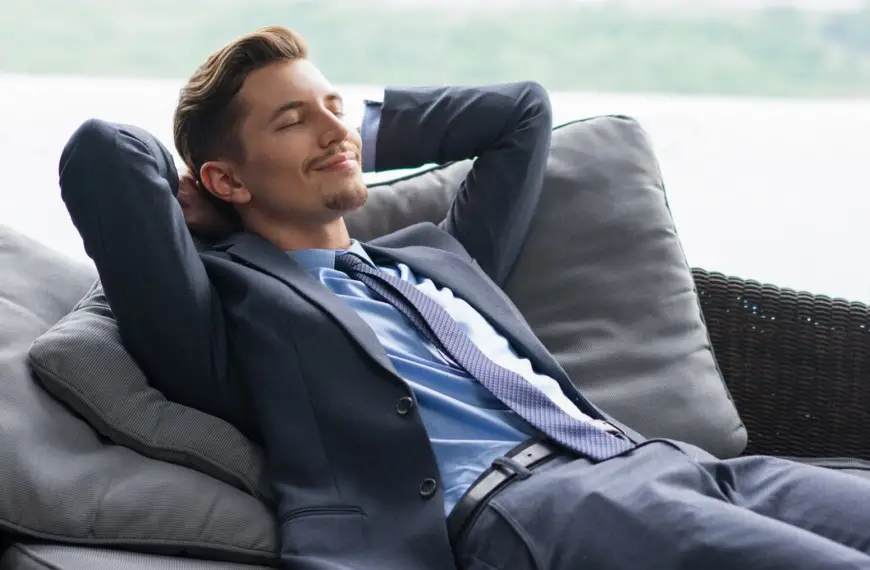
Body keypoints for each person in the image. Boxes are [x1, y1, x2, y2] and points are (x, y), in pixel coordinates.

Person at [58, 25, 870, 570]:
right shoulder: (236, 308)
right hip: (534, 506)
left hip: (665, 462)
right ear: (227, 178)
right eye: (293, 122)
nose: (332, 129)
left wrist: (350, 132)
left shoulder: (436, 256)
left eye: (335, 107)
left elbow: (522, 114)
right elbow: (100, 155)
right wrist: (191, 195)